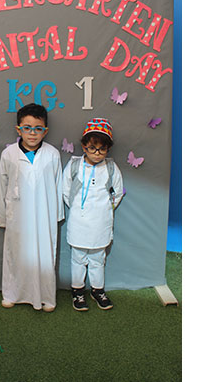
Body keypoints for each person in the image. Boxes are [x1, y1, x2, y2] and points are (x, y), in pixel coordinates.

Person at [0, 103, 64, 312]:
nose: (32, 133)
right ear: (19, 129)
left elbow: (58, 185)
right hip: (18, 216)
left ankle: (46, 297)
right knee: (16, 253)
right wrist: (1, 216)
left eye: (38, 128)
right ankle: (12, 293)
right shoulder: (9, 154)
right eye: (27, 128)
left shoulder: (52, 154)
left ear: (45, 131)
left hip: (44, 214)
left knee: (44, 255)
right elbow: (1, 186)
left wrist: (56, 214)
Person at [62, 118, 124, 311]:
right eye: (92, 148)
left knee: (98, 259)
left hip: (101, 223)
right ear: (84, 147)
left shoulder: (111, 168)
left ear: (108, 149)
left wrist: (105, 209)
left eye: (102, 149)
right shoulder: (74, 166)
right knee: (78, 259)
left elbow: (118, 193)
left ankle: (98, 290)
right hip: (79, 223)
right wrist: (79, 209)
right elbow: (66, 191)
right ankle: (78, 291)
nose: (97, 153)